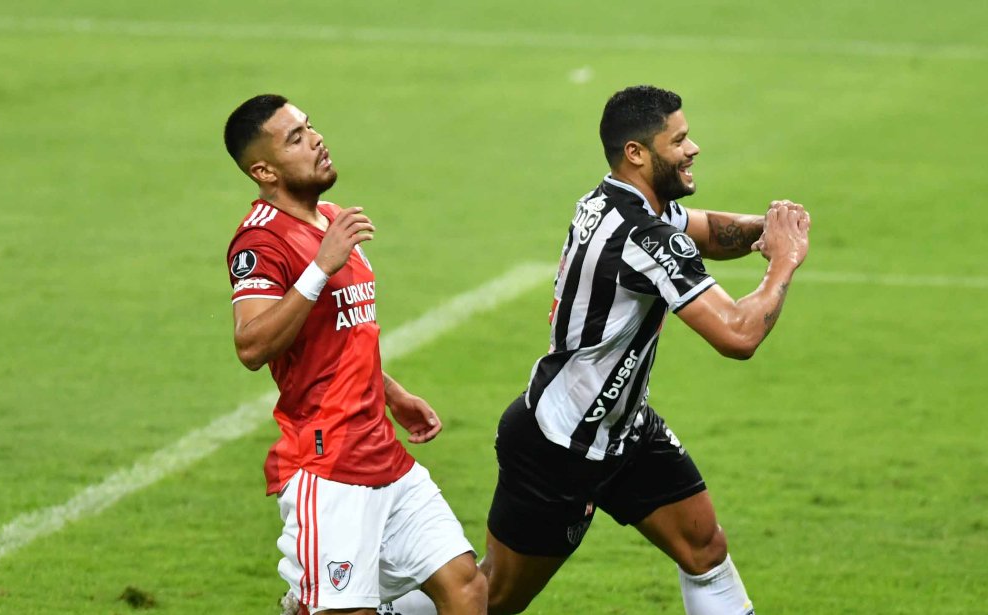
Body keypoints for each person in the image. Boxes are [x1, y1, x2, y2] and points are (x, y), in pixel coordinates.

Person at [476, 85, 811, 614]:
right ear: (637, 153)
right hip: (561, 446)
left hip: (624, 429)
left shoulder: (616, 201)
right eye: (678, 140)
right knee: (490, 599)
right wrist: (783, 261)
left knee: (704, 549)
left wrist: (768, 230)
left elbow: (705, 232)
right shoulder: (641, 235)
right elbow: (738, 335)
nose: (693, 148)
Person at [222, 94, 487, 615]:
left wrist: (393, 393)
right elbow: (251, 345)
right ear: (263, 169)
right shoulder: (259, 241)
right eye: (296, 138)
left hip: (382, 450)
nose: (316, 139)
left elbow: (345, 333)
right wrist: (319, 268)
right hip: (327, 463)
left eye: (310, 126)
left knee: (467, 587)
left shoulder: (333, 219)